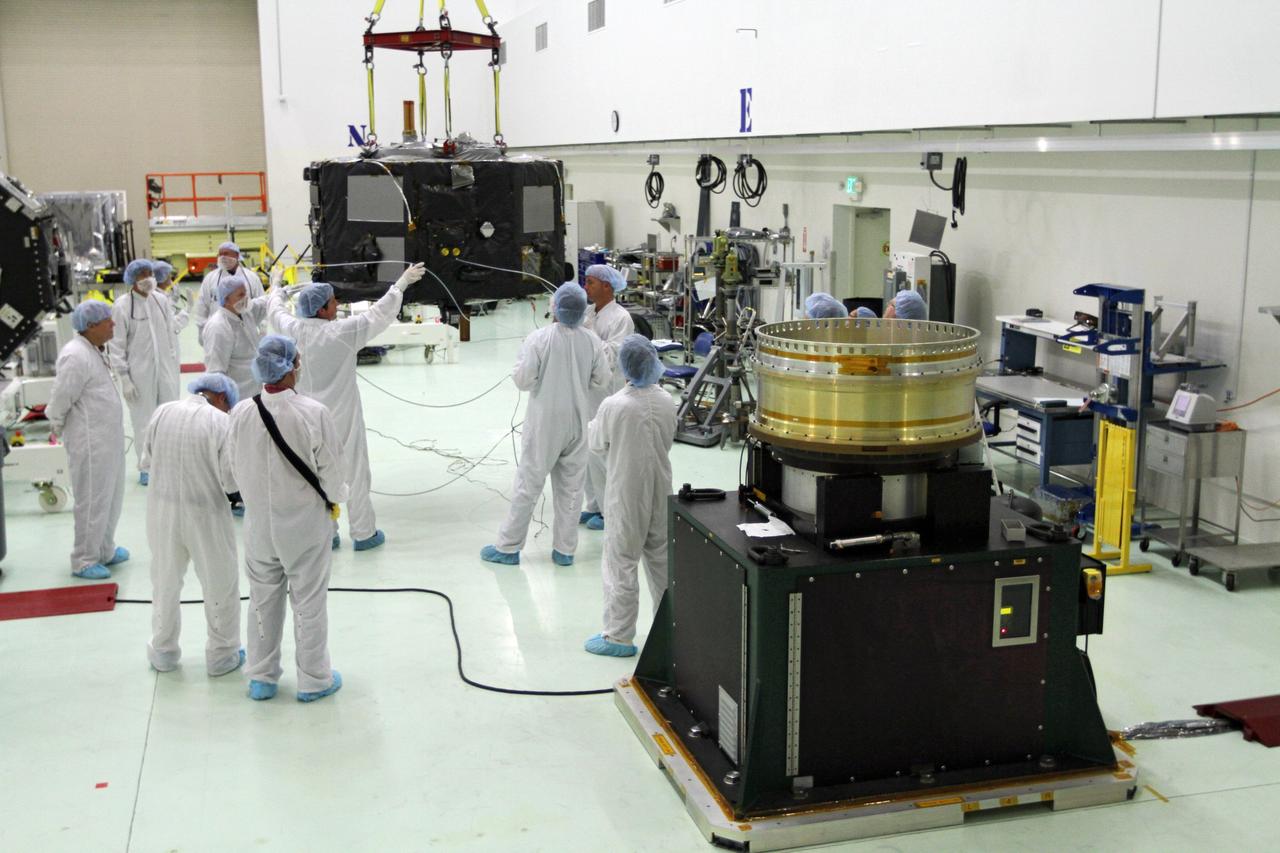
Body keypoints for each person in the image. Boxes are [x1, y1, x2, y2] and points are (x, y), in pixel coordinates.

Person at [266, 263, 425, 550]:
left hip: (306, 420)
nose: (337, 303)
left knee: (315, 475)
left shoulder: (293, 330)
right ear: (322, 310)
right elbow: (380, 314)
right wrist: (401, 283)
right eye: (332, 301)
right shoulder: (343, 332)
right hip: (342, 418)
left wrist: (276, 287)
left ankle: (327, 534)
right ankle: (364, 533)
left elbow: (275, 311)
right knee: (354, 473)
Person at [227, 335, 350, 702]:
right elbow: (331, 470)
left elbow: (232, 471)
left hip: (259, 527)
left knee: (263, 602)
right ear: (292, 367)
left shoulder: (241, 413)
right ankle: (314, 679)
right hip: (303, 526)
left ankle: (262, 678)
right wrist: (334, 504)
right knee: (308, 602)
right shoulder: (313, 413)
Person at [480, 282, 609, 566]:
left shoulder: (539, 338)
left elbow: (523, 380)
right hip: (578, 421)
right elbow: (602, 380)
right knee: (572, 489)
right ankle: (565, 550)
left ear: (555, 307)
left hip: (545, 423)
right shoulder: (591, 340)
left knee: (529, 484)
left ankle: (508, 547)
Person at [140, 373, 242, 676]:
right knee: (219, 584)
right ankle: (222, 656)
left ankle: (163, 653)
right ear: (223, 398)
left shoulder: (162, 412)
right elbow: (230, 479)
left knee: (165, 583)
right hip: (206, 514)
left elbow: (146, 461)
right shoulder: (221, 422)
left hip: (162, 512)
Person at [585, 335, 677, 657]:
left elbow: (596, 442)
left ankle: (618, 637)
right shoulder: (667, 400)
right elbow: (669, 437)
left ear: (624, 367)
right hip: (661, 488)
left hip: (626, 491)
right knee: (663, 561)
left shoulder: (615, 405)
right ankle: (671, 633)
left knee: (621, 560)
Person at [46, 301, 128, 579]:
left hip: (108, 438)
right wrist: (56, 422)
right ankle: (83, 558)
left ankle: (104, 548)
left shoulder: (93, 349)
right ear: (91, 326)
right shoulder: (75, 356)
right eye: (108, 321)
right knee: (92, 500)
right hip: (91, 442)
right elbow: (61, 397)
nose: (113, 324)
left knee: (112, 496)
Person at [107, 259, 182, 483]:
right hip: (139, 374)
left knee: (169, 416)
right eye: (142, 275)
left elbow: (170, 333)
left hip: (165, 370)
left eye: (150, 273)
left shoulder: (161, 300)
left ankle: (169, 462)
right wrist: (124, 378)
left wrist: (173, 361)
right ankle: (146, 467)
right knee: (144, 420)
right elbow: (116, 344)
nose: (148, 278)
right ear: (132, 279)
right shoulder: (122, 306)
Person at [579, 264, 634, 531]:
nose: (585, 287)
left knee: (605, 453)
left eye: (590, 282)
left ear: (607, 286)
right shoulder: (590, 312)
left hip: (607, 392)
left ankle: (610, 510)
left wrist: (587, 336)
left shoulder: (621, 318)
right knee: (588, 451)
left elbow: (612, 356)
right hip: (588, 392)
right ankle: (594, 504)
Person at [203, 275, 270, 400]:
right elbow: (215, 371)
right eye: (241, 295)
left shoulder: (244, 312)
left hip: (255, 390)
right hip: (236, 396)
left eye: (246, 294)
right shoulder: (218, 327)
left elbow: (265, 302)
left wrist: (277, 287)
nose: (246, 298)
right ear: (226, 299)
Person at [194, 242, 264, 344]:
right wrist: (202, 332)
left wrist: (262, 331)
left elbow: (261, 304)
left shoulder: (251, 278)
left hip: (247, 332)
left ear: (236, 255)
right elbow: (202, 306)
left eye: (226, 253)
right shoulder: (210, 278)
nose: (222, 257)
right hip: (219, 331)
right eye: (220, 254)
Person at [152, 259, 191, 361]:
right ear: (163, 277)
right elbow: (174, 325)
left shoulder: (160, 294)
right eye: (168, 275)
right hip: (165, 346)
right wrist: (187, 310)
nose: (170, 278)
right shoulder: (159, 298)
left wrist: (172, 300)